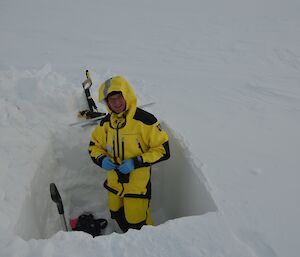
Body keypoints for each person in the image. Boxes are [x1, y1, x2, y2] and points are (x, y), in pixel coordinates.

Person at [88, 76, 170, 232]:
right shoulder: (106, 123)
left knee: (138, 224)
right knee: (117, 214)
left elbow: (163, 149)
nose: (116, 103)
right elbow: (94, 146)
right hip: (114, 185)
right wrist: (102, 159)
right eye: (111, 100)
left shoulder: (145, 121)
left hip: (137, 187)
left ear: (127, 95)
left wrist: (137, 161)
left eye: (119, 97)